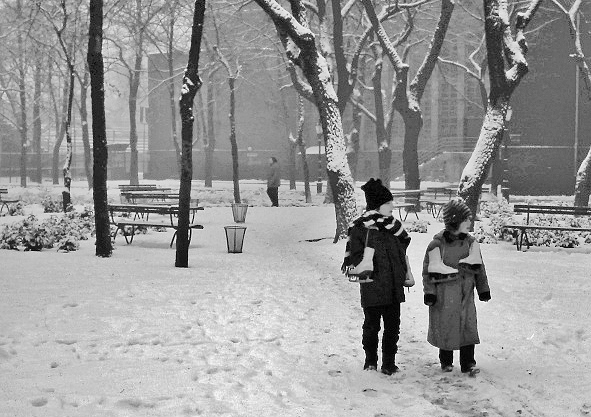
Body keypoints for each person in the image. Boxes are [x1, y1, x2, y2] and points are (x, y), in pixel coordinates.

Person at [342, 178, 415, 375]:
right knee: (372, 326)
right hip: (373, 285)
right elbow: (354, 256)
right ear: (377, 205)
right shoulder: (361, 227)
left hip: (393, 286)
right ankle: (370, 361)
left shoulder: (395, 227)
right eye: (387, 203)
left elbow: (403, 246)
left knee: (393, 327)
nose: (392, 206)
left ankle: (389, 363)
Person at [422, 198, 491, 375]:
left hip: (466, 294)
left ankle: (468, 362)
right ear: (454, 221)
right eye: (466, 219)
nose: (470, 222)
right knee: (446, 326)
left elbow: (480, 268)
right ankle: (446, 361)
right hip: (444, 296)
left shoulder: (470, 243)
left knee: (467, 327)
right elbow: (428, 271)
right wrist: (430, 292)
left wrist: (483, 289)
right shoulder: (437, 244)